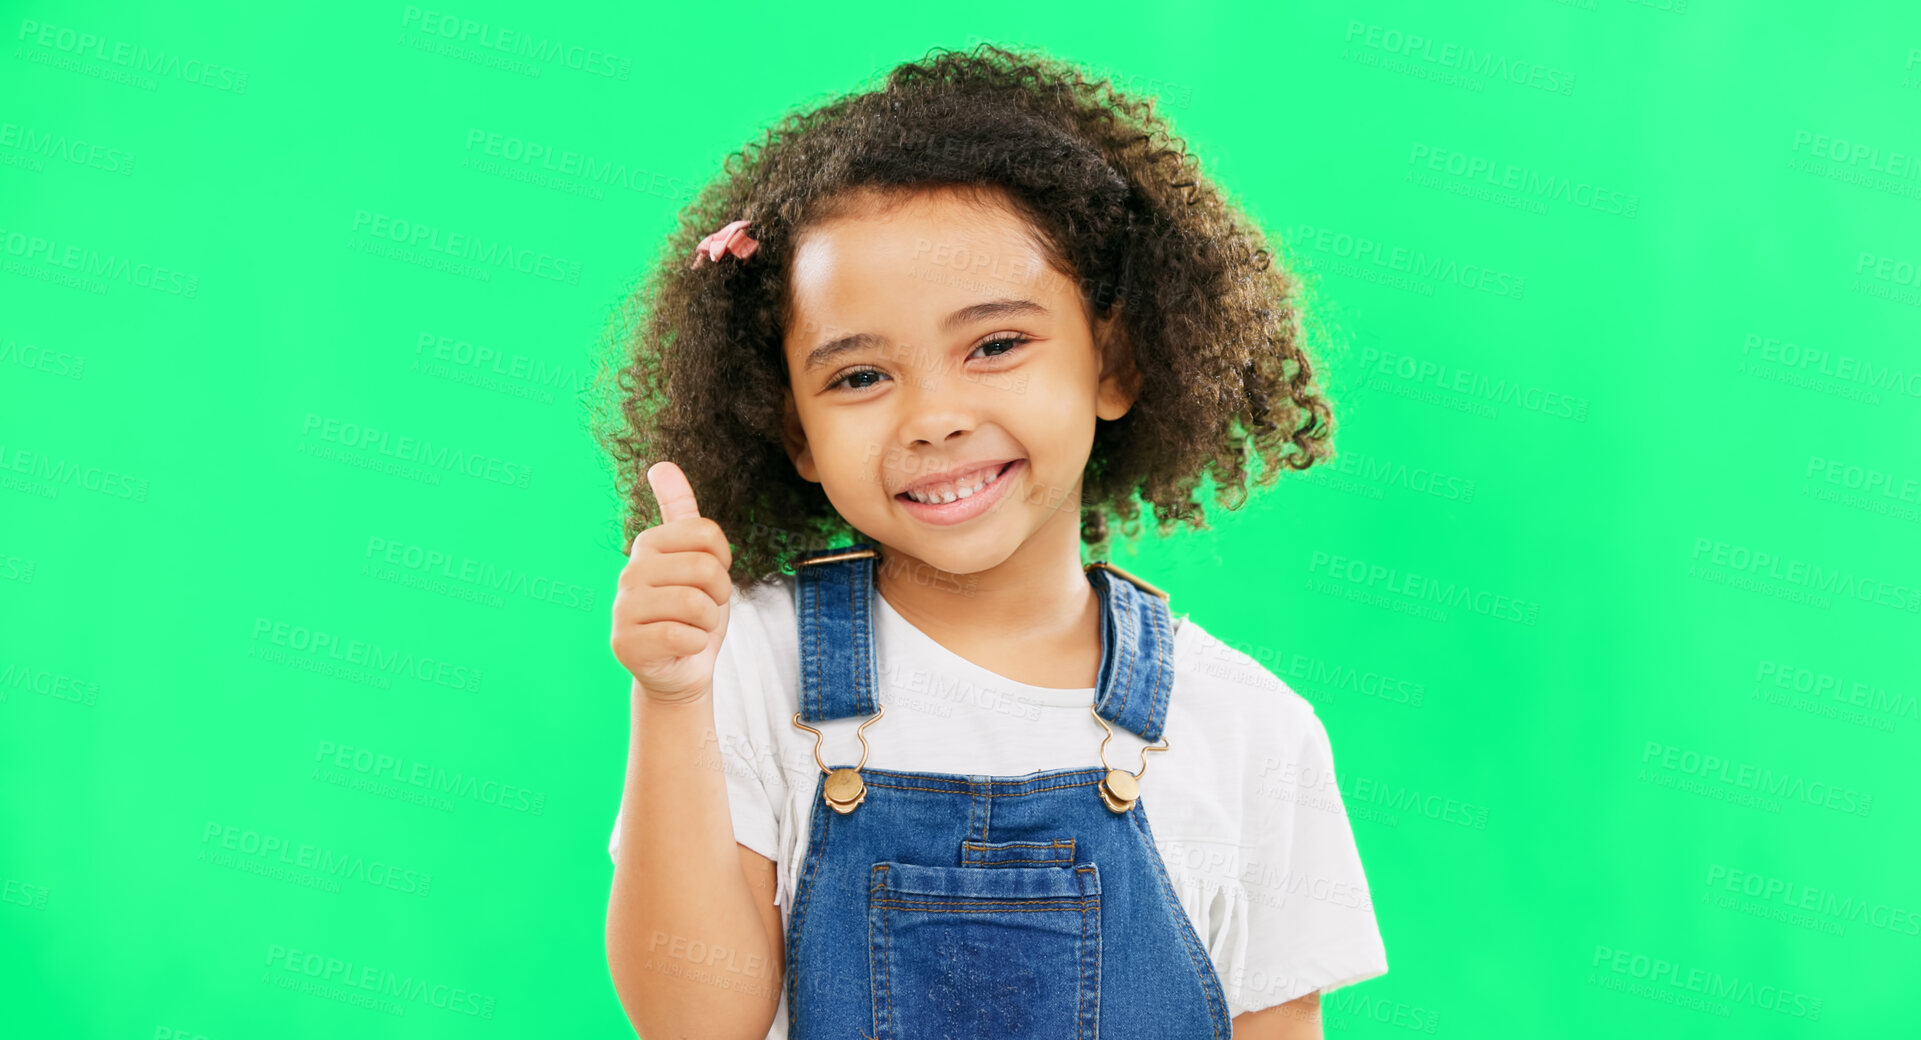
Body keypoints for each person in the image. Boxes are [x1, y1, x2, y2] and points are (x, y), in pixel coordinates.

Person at [597, 43, 1386, 1040]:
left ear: (1116, 360)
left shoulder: (1249, 728)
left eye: (995, 345)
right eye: (858, 377)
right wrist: (669, 696)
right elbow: (691, 1021)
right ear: (791, 428)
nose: (933, 416)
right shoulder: (750, 664)